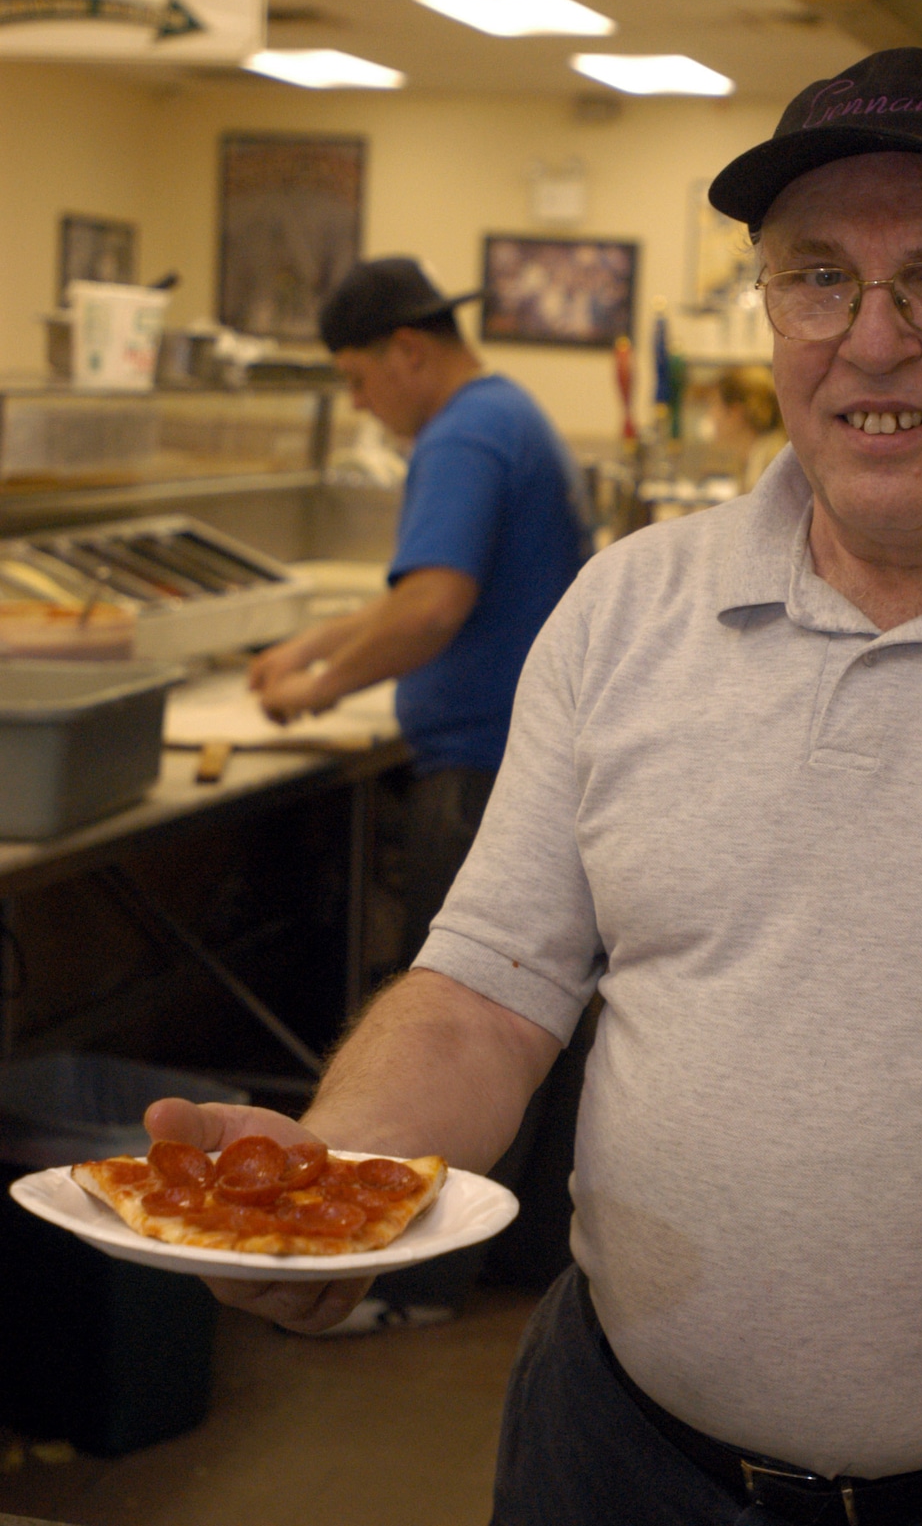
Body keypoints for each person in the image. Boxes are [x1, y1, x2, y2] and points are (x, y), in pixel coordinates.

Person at [148, 49, 922, 1525]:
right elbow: (483, 996)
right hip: (617, 1468)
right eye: (816, 278)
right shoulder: (626, 616)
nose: (870, 342)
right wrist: (332, 1189)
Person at [246, 256, 590, 1325]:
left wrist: (316, 686)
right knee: (540, 1028)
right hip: (508, 757)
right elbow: (416, 593)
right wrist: (313, 640)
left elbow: (433, 606)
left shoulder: (460, 432)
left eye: (355, 379)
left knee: (459, 1021)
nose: (358, 404)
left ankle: (414, 1282)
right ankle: (520, 1256)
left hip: (482, 772)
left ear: (405, 350)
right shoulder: (503, 414)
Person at [708, 363, 788, 491]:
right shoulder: (755, 455)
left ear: (735, 413)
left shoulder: (773, 459)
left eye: (715, 405)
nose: (711, 415)